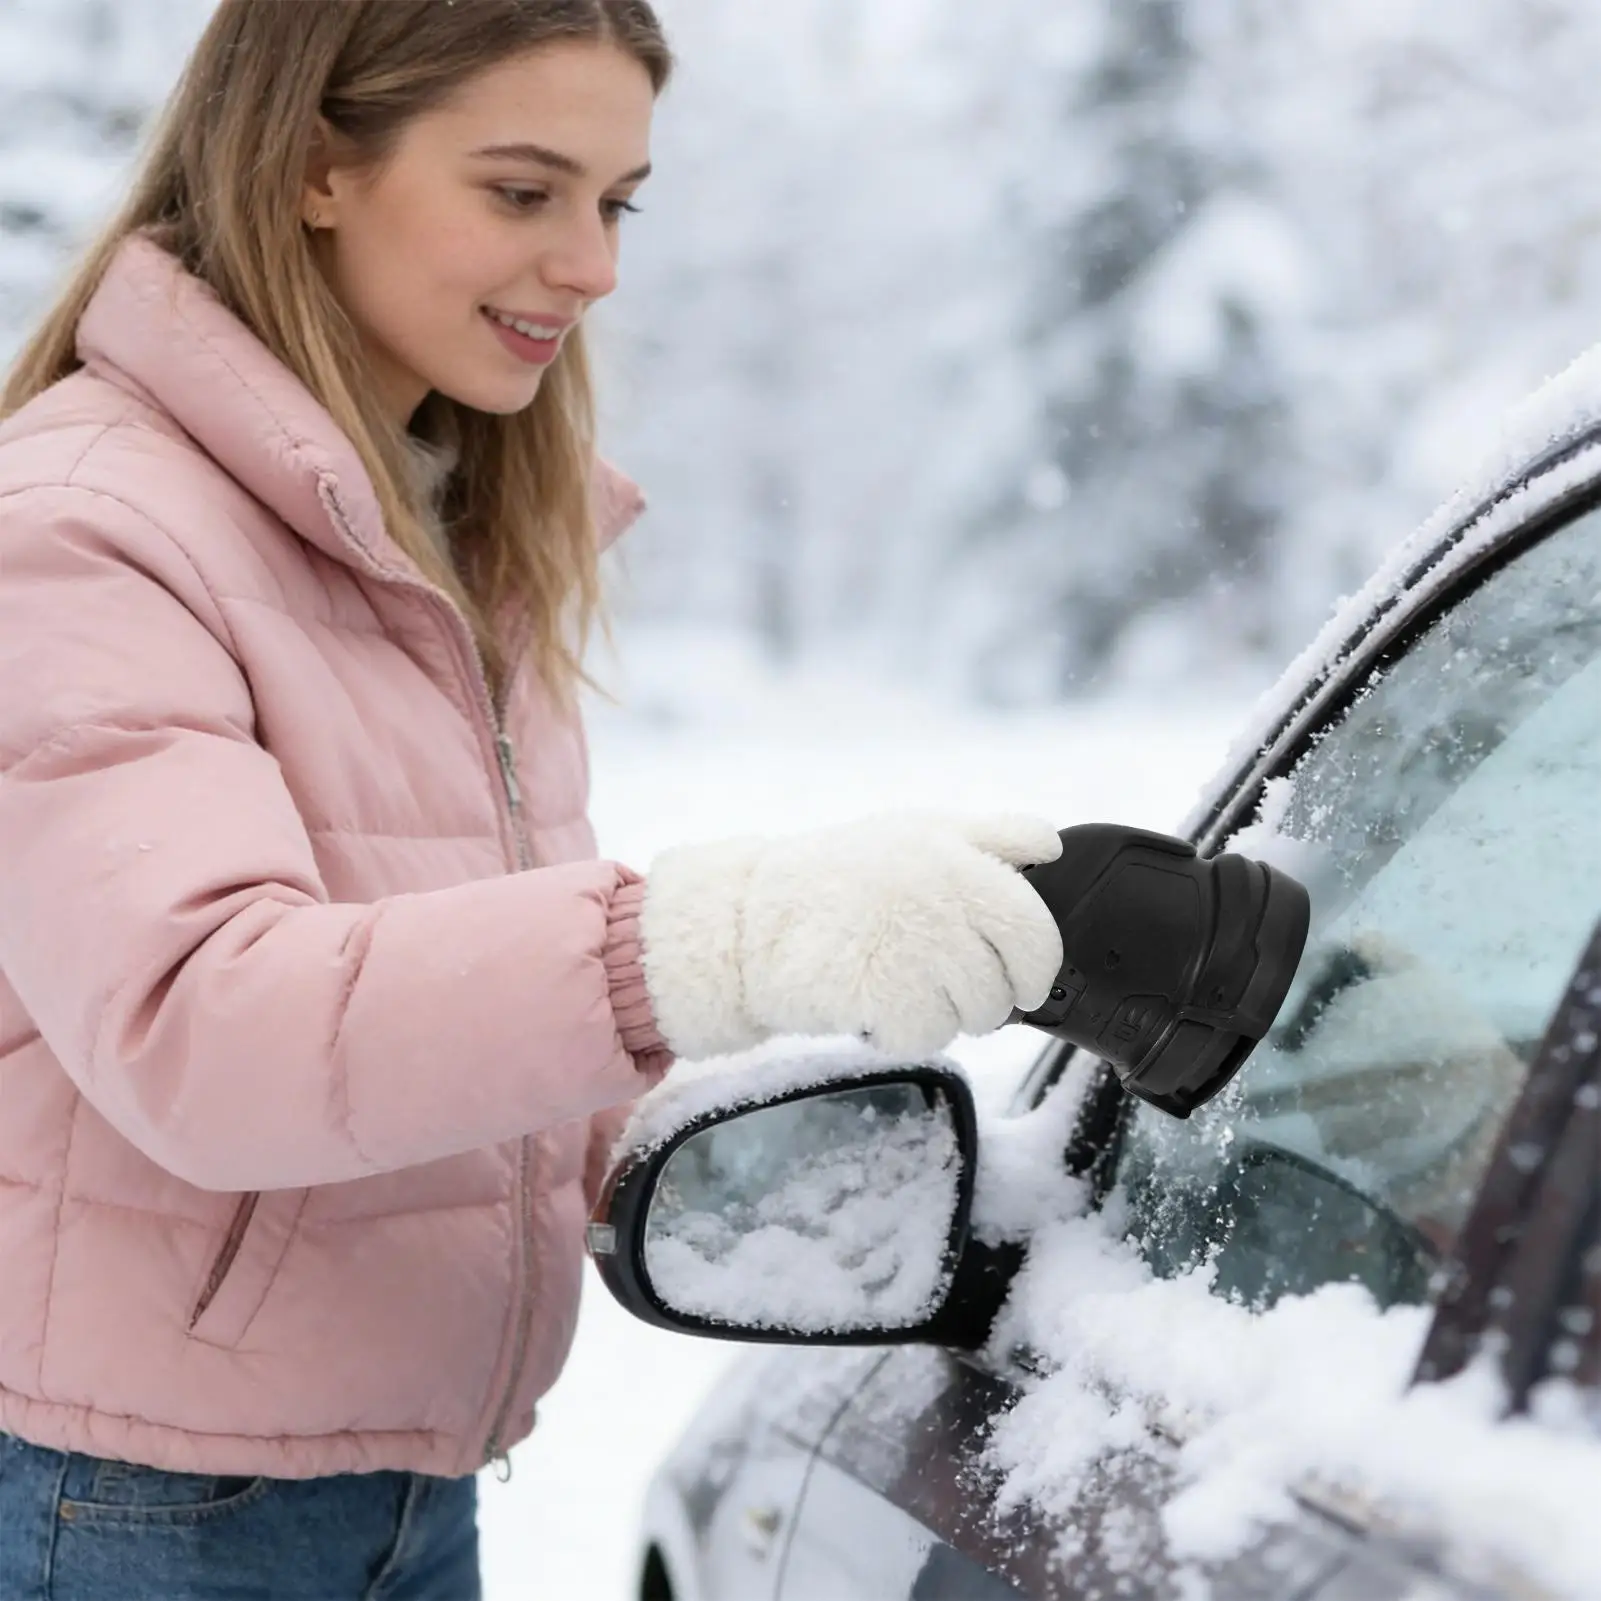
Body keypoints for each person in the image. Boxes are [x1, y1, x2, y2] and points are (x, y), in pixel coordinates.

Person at [0, 2, 1065, 1595]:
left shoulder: (441, 536)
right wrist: (715, 941)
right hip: (137, 1510)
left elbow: (431, 1013)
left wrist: (775, 1160)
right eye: (523, 192)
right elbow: (207, 1029)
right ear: (312, 169)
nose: (593, 266)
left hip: (395, 1491)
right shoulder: (87, 528)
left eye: (617, 202)